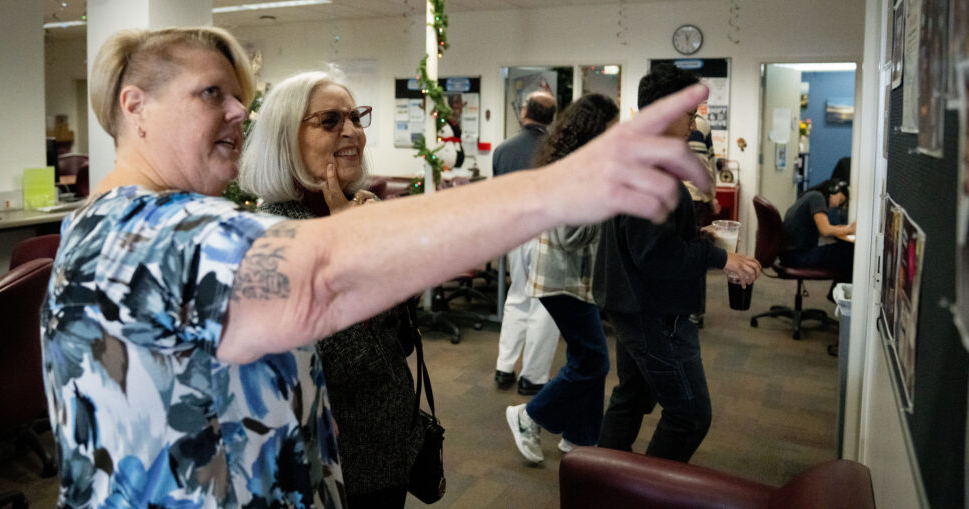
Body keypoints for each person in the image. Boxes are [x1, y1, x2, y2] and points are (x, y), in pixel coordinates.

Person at [41, 25, 713, 507]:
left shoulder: (126, 225)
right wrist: (558, 187)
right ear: (135, 105)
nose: (238, 109)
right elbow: (318, 279)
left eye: (239, 95)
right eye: (211, 93)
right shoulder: (140, 234)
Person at [237, 69, 419, 509]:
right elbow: (335, 360)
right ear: (285, 137)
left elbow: (401, 334)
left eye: (356, 117)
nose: (352, 131)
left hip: (389, 440)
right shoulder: (273, 237)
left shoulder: (353, 209)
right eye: (331, 120)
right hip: (336, 463)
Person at [593, 63, 761, 463]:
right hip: (652, 310)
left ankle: (601, 487)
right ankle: (645, 495)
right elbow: (655, 254)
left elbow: (643, 238)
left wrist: (696, 236)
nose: (694, 122)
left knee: (632, 397)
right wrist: (722, 257)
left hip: (630, 300)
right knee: (689, 415)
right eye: (689, 113)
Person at [505, 93, 617, 463]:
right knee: (594, 361)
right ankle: (529, 416)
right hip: (563, 279)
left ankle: (579, 437)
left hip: (569, 278)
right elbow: (571, 234)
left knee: (585, 357)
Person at [492, 90, 561, 395]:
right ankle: (532, 377)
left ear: (525, 113)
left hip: (515, 234)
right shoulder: (559, 149)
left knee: (517, 297)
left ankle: (504, 367)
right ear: (553, 117)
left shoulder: (503, 150)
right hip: (548, 235)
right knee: (545, 305)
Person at [781, 178, 856, 287]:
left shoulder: (810, 196)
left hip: (791, 254)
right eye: (839, 200)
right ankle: (837, 297)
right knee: (850, 253)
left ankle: (836, 295)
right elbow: (825, 230)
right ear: (833, 190)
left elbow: (822, 228)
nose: (836, 206)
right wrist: (850, 229)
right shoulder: (818, 198)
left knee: (843, 251)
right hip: (798, 256)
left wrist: (841, 228)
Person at [684, 109, 720, 327]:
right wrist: (711, 195)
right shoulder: (701, 125)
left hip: (682, 196)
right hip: (696, 197)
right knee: (695, 254)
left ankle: (689, 309)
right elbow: (708, 165)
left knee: (688, 253)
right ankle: (694, 311)